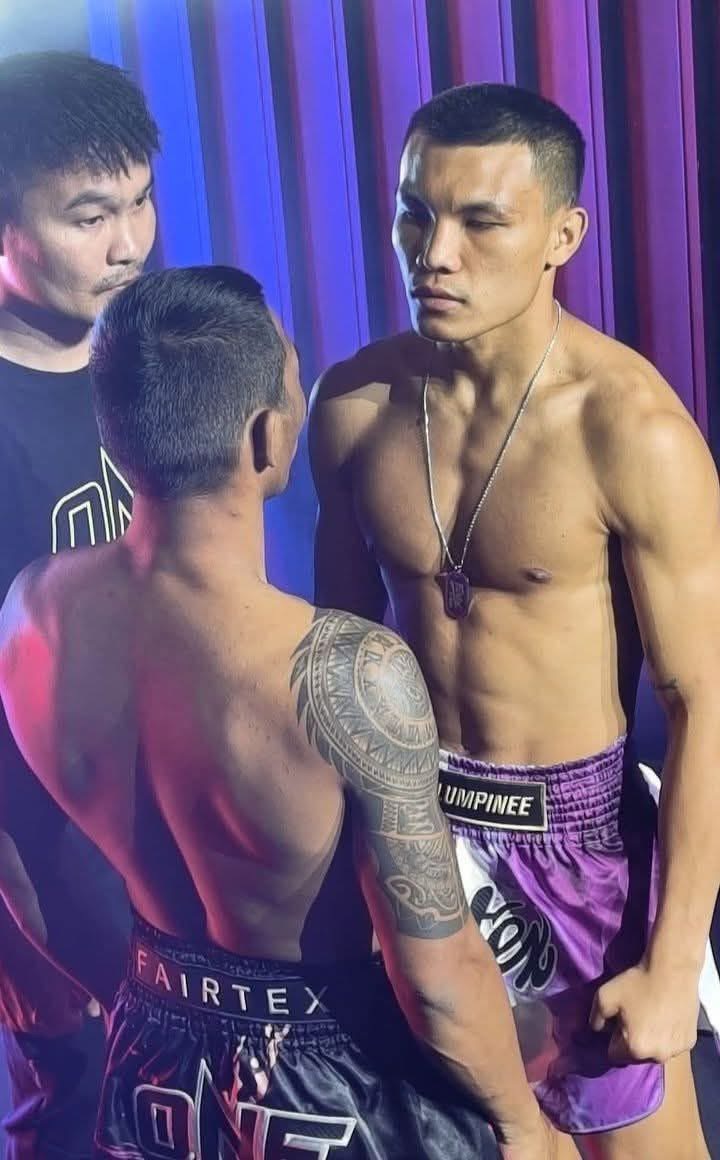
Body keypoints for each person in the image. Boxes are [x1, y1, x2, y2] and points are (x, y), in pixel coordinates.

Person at [0, 265, 579, 1160]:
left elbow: (30, 857)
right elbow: (436, 977)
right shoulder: (349, 672)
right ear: (266, 436)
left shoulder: (33, 613)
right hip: (329, 1076)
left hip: (149, 1055)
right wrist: (522, 1125)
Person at [309, 83, 720, 1159]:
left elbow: (702, 702)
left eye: (480, 221)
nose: (434, 253)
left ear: (561, 236)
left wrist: (676, 960)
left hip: (579, 853)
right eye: (414, 213)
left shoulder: (631, 429)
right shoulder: (354, 406)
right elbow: (335, 665)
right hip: (415, 827)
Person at [0, 50, 158, 1158]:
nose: (129, 243)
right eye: (90, 215)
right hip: (46, 857)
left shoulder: (153, 365)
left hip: (175, 833)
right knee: (78, 1104)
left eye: (141, 202)